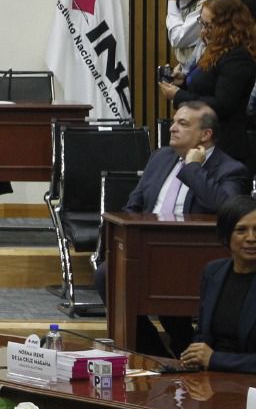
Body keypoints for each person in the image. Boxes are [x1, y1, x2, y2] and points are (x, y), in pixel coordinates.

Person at [97, 101, 249, 354]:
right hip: (146, 251)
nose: (172, 128)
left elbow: (229, 210)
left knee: (169, 283)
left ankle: (182, 345)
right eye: (174, 121)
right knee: (107, 275)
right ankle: (151, 353)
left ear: (205, 134)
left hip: (194, 258)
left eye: (183, 123)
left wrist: (193, 168)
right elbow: (134, 204)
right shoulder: (160, 157)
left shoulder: (230, 169)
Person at [162, 0, 256, 165]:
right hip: (201, 143)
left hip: (224, 148)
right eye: (202, 22)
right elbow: (207, 85)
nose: (203, 30)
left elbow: (223, 104)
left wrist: (178, 95)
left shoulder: (238, 58)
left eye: (208, 25)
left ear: (226, 26)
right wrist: (183, 82)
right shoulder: (215, 49)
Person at [180, 194, 256, 373]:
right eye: (241, 230)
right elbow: (203, 333)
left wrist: (215, 359)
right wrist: (195, 355)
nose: (251, 238)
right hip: (209, 376)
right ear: (226, 235)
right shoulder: (213, 271)